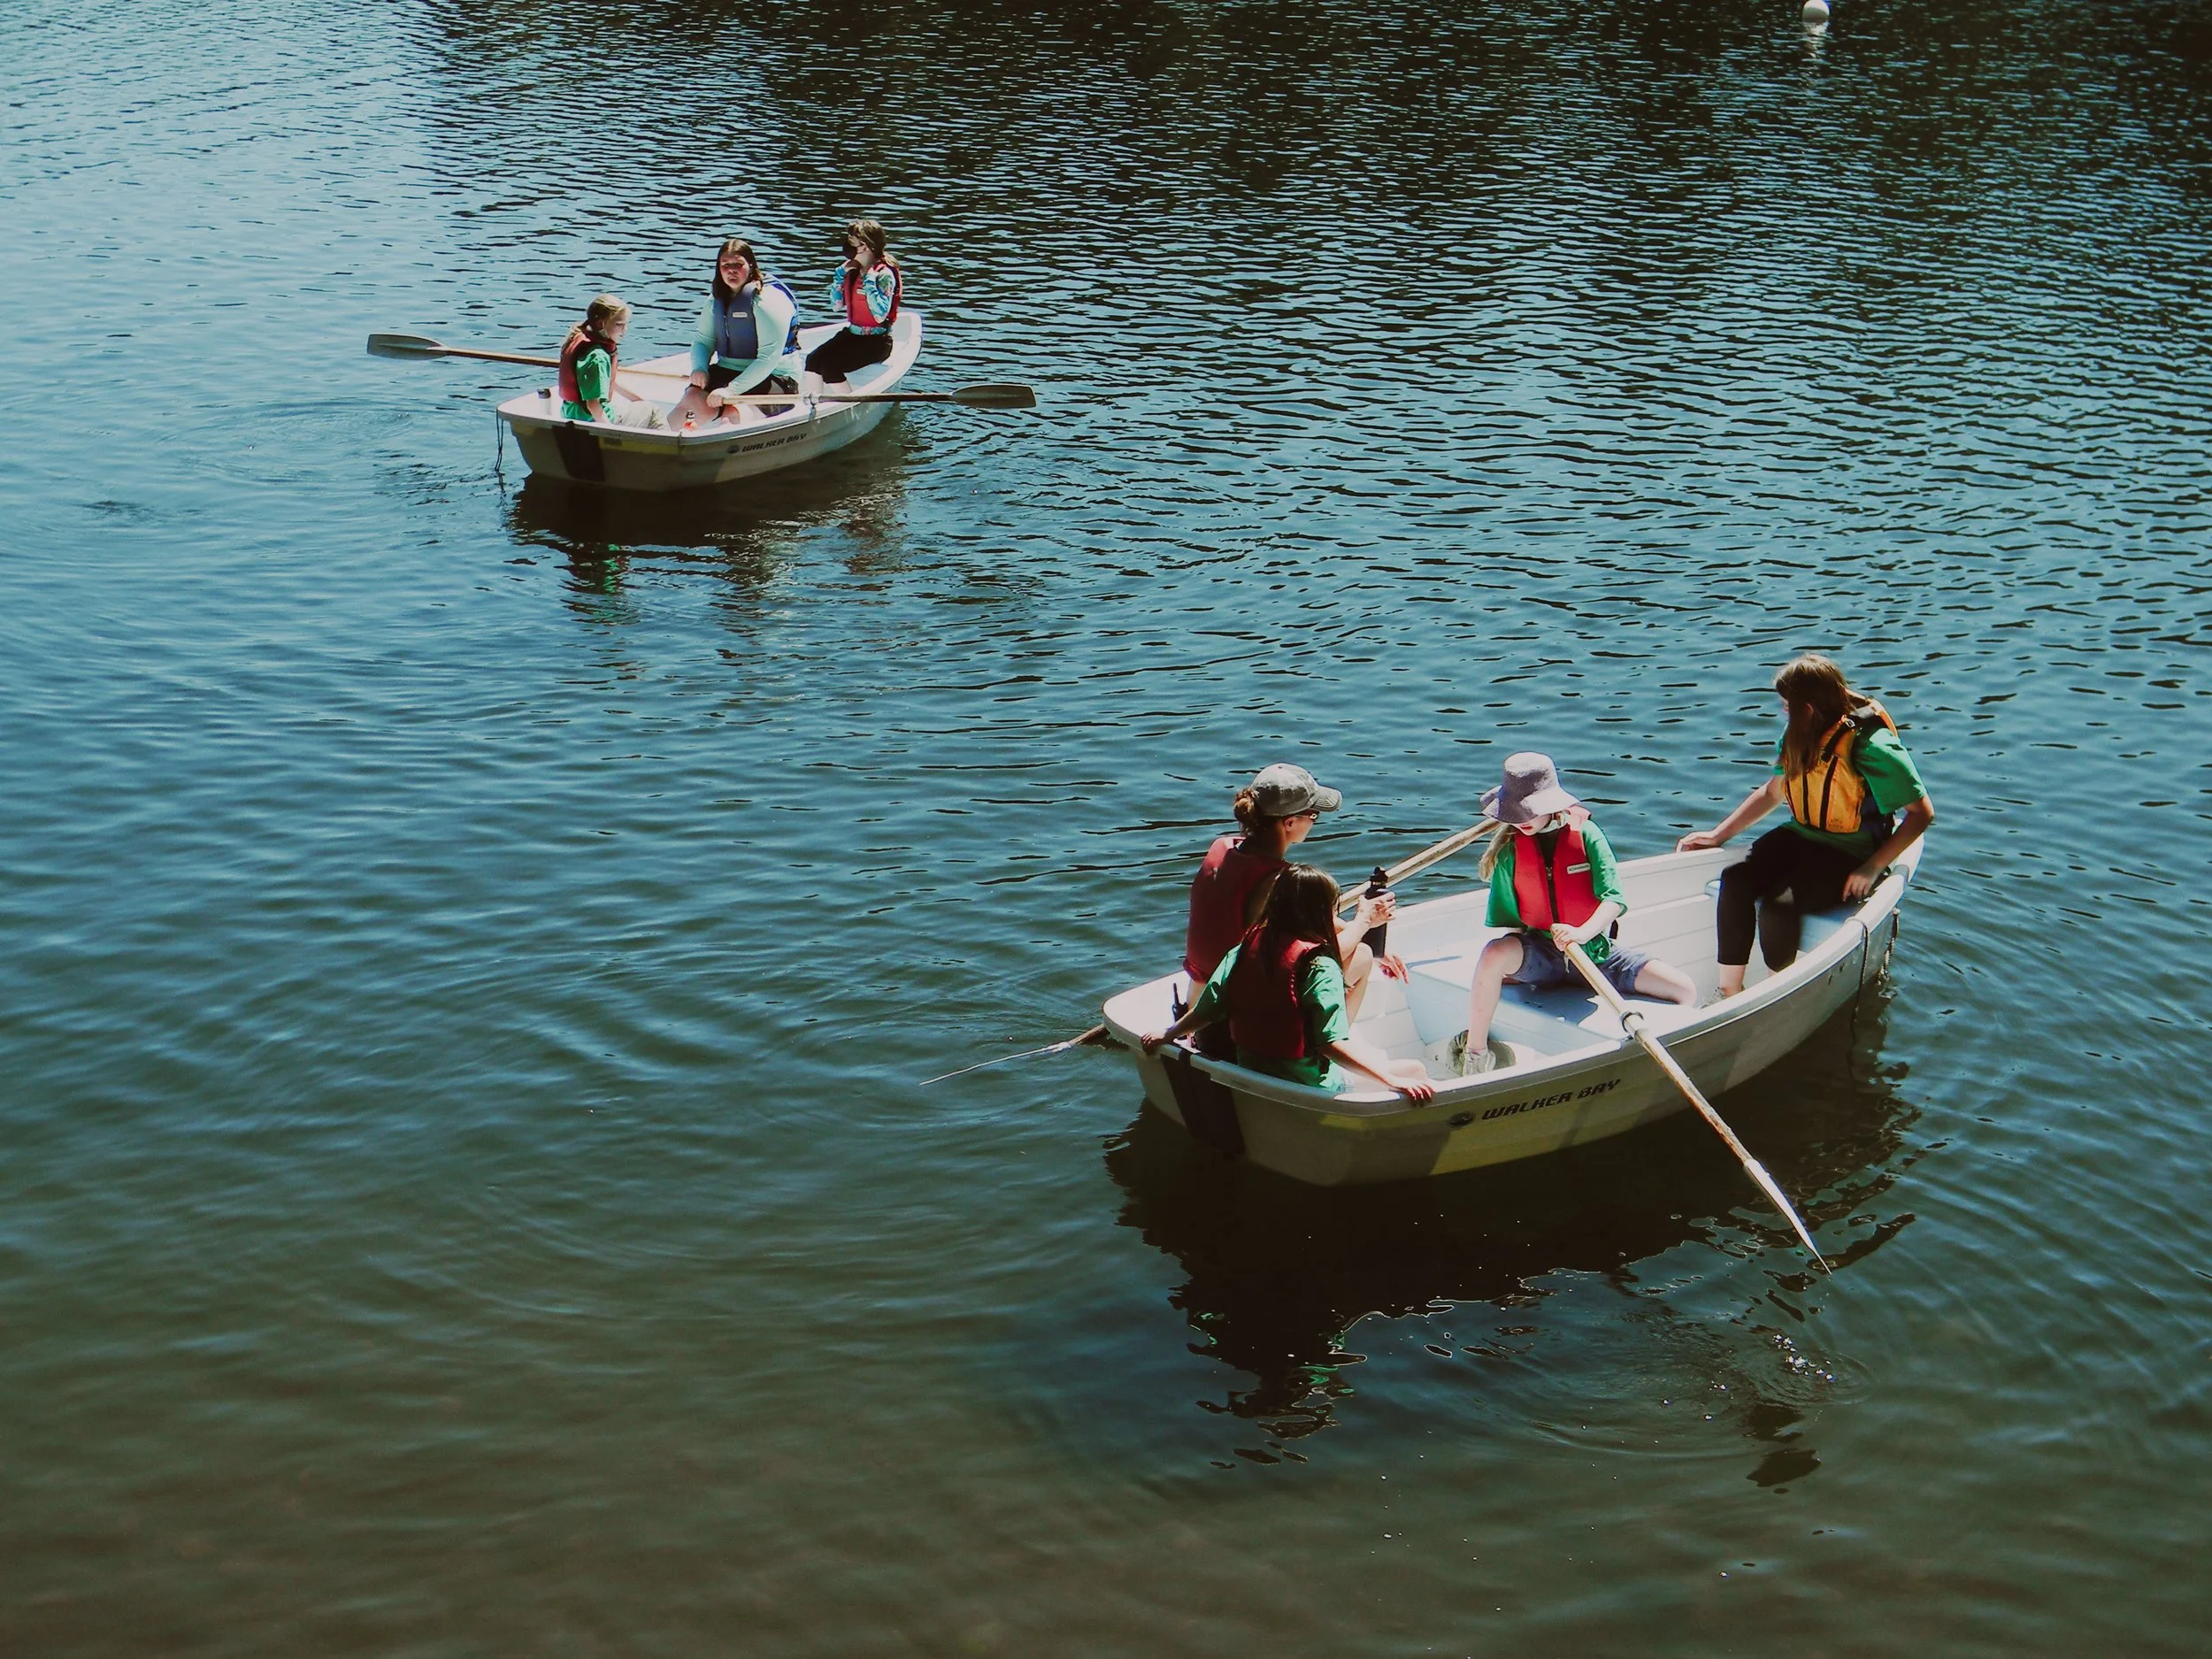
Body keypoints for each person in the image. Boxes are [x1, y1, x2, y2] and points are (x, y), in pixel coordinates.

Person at [1678, 654, 1934, 998]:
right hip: (1802, 836)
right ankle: (1730, 992)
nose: (1783, 710)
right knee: (1735, 881)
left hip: (1850, 848)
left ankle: (1774, 994)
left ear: (1809, 707)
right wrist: (1717, 835)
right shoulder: (1797, 735)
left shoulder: (1872, 747)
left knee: (1778, 906)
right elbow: (1772, 793)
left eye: (1788, 704)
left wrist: (1872, 868)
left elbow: (1921, 814)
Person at [1458, 753, 1697, 1075]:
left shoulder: (1586, 835)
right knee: (1492, 954)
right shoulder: (1511, 850)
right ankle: (1475, 1053)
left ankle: (1668, 1056)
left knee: (1684, 989)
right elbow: (1511, 924)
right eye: (1516, 812)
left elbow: (1613, 899)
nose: (1522, 820)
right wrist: (1510, 966)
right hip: (1542, 956)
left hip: (1595, 955)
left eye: (1529, 810)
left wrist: (1582, 932)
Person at [1143, 864, 1436, 1102]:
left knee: (1362, 956)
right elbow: (1329, 1046)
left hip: (1252, 1071)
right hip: (1308, 1085)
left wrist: (1167, 1035)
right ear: (1324, 913)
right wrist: (1392, 1081)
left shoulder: (1245, 948)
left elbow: (1207, 1010)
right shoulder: (1320, 966)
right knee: (1416, 1069)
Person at [1180, 763, 1400, 1037]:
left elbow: (1318, 923)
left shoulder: (1223, 848)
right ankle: (1324, 1049)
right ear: (1290, 823)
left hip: (1200, 991)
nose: (1314, 821)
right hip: (1238, 1004)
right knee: (1363, 956)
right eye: (1314, 814)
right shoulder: (1280, 881)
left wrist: (1365, 935)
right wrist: (1364, 922)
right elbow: (1320, 954)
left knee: (1363, 946)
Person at [664, 239, 803, 429]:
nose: (731, 270)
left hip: (774, 376)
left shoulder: (768, 301)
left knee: (733, 411)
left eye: (738, 265)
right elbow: (703, 342)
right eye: (726, 266)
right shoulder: (716, 299)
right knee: (692, 397)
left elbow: (768, 358)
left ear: (751, 265)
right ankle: (663, 437)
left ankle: (725, 439)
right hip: (728, 370)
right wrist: (700, 368)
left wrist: (731, 391)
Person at [805, 218, 902, 387]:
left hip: (876, 341)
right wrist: (838, 278)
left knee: (831, 367)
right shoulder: (851, 271)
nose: (847, 247)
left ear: (865, 246)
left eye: (852, 243)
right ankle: (814, 403)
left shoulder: (884, 274)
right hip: (852, 335)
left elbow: (880, 315)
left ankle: (845, 407)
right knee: (812, 360)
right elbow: (836, 306)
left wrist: (870, 281)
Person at [557, 296, 661, 426]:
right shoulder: (598, 357)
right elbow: (593, 405)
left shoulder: (581, 343)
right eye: (619, 324)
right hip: (591, 420)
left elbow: (604, 381)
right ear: (601, 324)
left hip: (571, 414)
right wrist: (611, 431)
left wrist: (638, 400)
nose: (625, 329)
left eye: (626, 324)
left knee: (644, 406)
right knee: (652, 411)